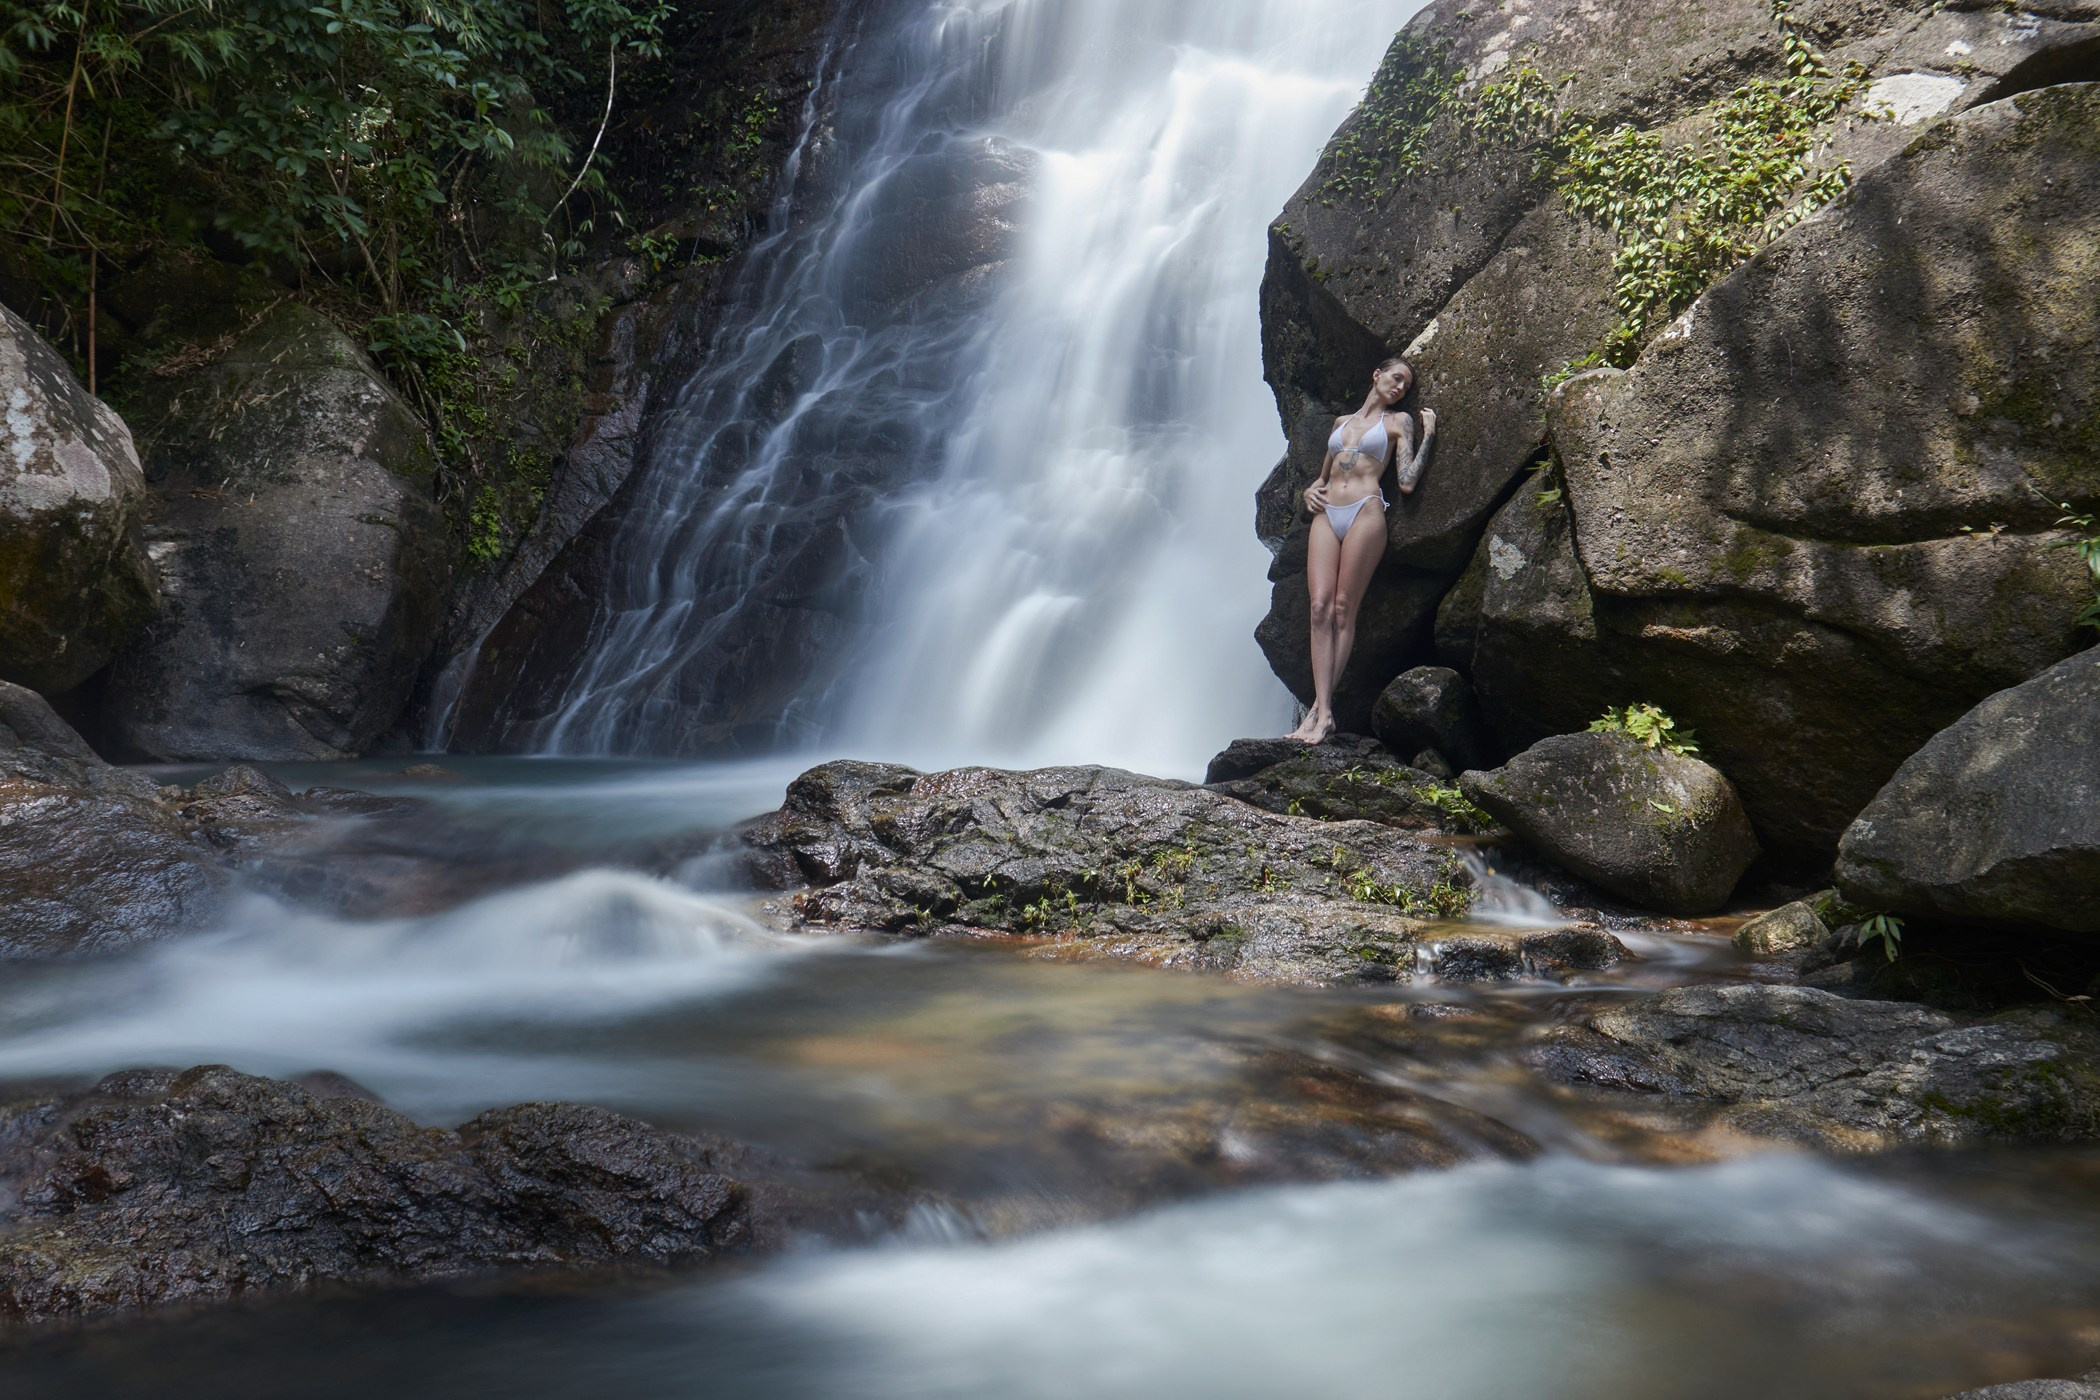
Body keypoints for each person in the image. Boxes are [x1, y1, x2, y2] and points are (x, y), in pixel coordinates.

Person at [1286, 356, 1436, 745]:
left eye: (1406, 384)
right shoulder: (1339, 425)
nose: (1400, 387)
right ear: (1377, 374)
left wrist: (1429, 435)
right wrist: (1308, 491)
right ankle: (1317, 713)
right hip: (1327, 514)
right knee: (1318, 607)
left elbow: (1405, 482)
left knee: (1340, 608)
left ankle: (1322, 714)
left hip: (1365, 513)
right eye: (1396, 378)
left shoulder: (1397, 422)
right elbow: (1321, 478)